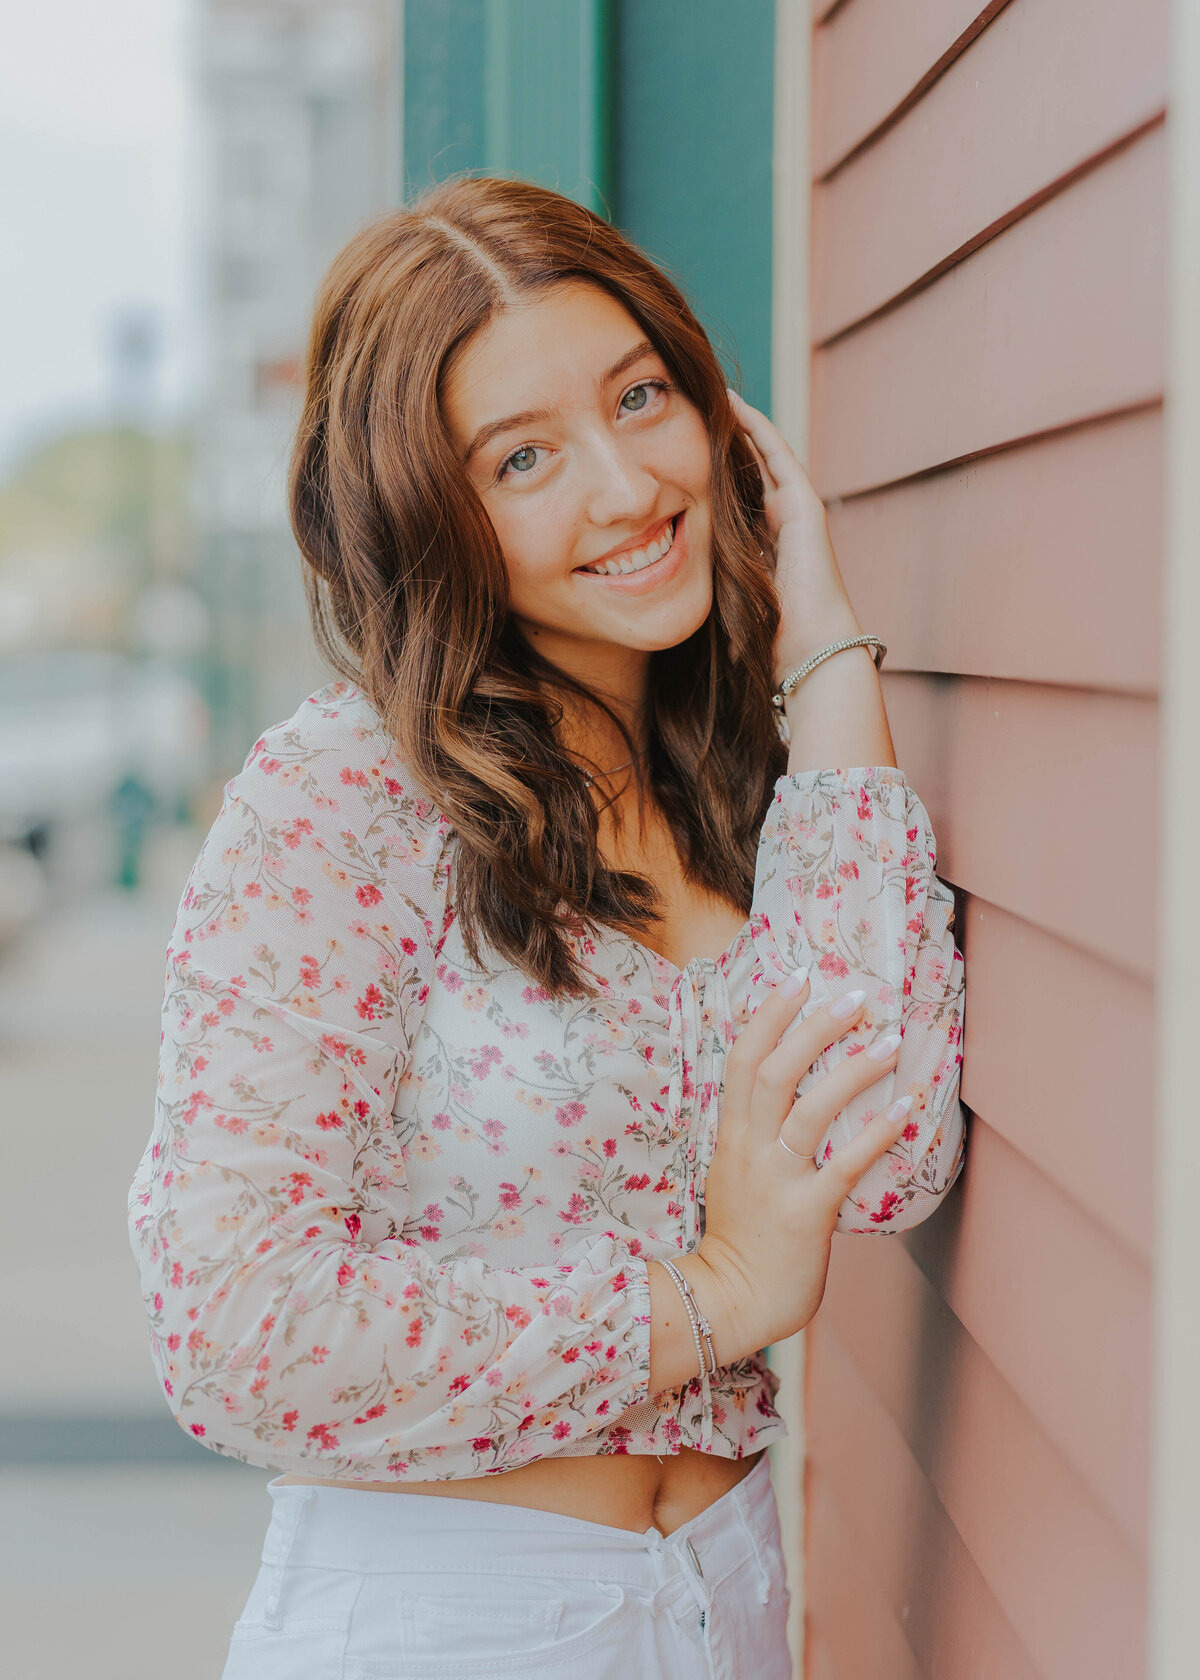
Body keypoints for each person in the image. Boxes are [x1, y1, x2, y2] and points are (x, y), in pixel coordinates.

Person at [128, 175, 966, 1679]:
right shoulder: (344, 805)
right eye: (526, 457)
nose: (629, 485)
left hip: (727, 1598)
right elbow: (237, 1327)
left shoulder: (730, 784)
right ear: (426, 518)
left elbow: (889, 1144)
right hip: (444, 1620)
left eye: (641, 396)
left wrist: (827, 652)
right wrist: (706, 1300)